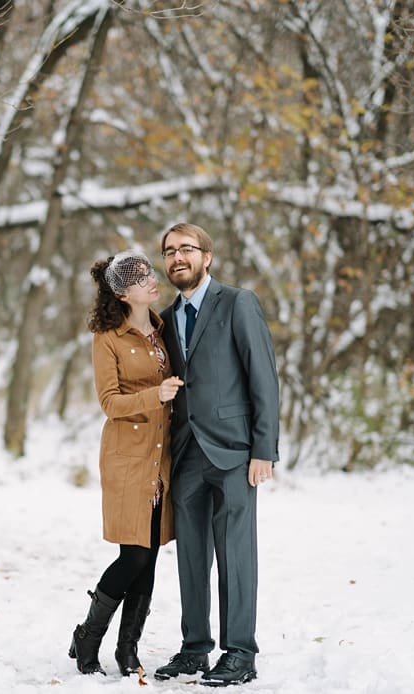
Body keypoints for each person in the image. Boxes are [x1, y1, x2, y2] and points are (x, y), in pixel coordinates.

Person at [152, 223, 280, 687]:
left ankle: (241, 653)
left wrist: (263, 449)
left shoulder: (238, 302)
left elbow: (263, 377)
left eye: (187, 249)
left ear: (208, 257)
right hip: (186, 454)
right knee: (191, 557)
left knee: (236, 555)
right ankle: (194, 649)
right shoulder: (165, 318)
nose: (177, 257)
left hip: (235, 453)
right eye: (169, 251)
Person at [69, 250, 185, 677]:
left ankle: (127, 650)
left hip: (162, 456)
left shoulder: (162, 330)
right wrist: (153, 396)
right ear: (121, 292)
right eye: (139, 279)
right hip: (126, 456)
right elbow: (109, 402)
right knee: (133, 556)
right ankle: (88, 636)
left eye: (149, 273)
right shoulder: (108, 338)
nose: (151, 281)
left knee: (150, 556)